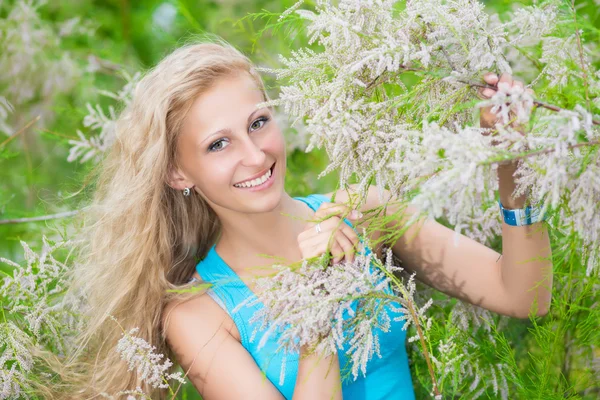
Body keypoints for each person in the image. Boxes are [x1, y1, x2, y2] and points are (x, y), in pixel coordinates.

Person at [65, 37, 553, 400]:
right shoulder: (198, 314)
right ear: (176, 172)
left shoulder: (365, 211)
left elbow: (525, 295)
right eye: (219, 144)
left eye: (258, 123)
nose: (255, 156)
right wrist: (316, 296)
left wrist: (510, 157)